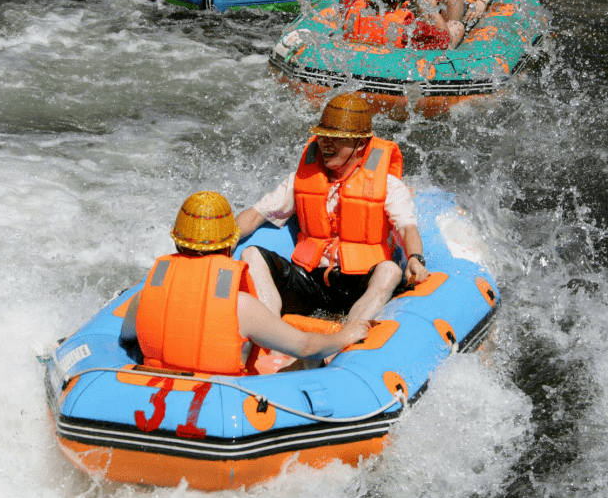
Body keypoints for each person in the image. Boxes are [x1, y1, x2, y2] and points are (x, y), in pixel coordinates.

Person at [120, 191, 370, 375]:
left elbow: (126, 337)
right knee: (312, 362)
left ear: (177, 244)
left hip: (156, 396)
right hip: (226, 405)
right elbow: (305, 347)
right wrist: (345, 335)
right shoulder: (240, 306)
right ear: (229, 247)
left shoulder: (144, 298)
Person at [235, 93, 429, 326]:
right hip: (312, 281)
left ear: (360, 145)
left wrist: (415, 259)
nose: (327, 143)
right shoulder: (301, 179)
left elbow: (407, 229)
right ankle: (269, 331)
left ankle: (349, 335)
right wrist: (225, 240)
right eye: (324, 136)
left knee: (391, 271)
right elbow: (256, 214)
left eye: (338, 138)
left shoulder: (388, 185)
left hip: (360, 284)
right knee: (251, 254)